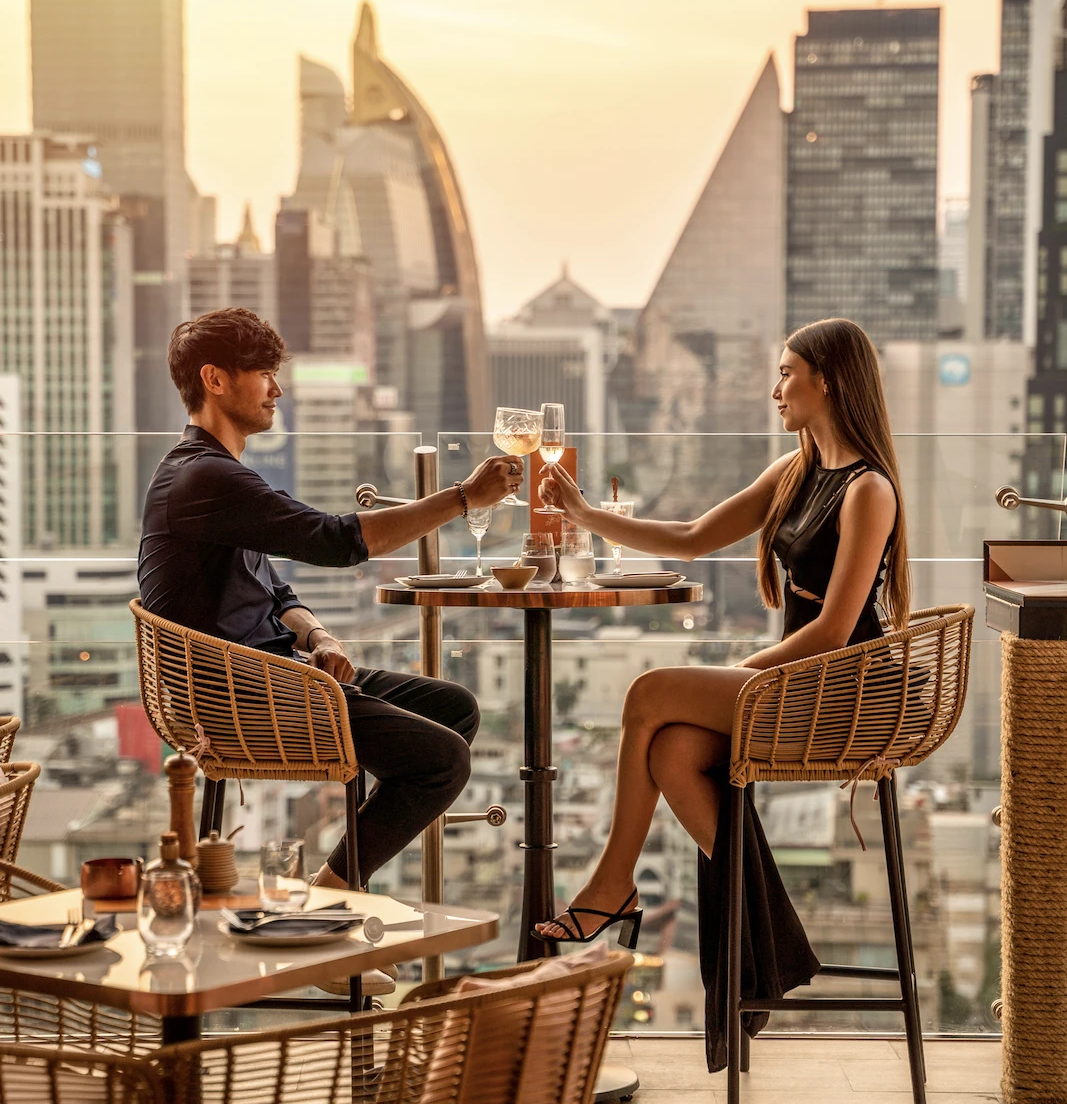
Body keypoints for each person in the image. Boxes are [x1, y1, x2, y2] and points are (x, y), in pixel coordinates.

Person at [533, 318, 910, 1064]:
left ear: (826, 379)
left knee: (648, 692)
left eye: (784, 374)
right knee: (673, 750)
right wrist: (583, 515)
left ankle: (612, 885)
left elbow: (835, 631)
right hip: (793, 682)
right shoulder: (795, 470)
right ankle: (770, 942)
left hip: (841, 693)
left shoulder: (868, 490)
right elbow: (693, 537)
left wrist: (743, 673)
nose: (774, 390)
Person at [138, 307, 521, 888]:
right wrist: (464, 497)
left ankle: (347, 861)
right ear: (214, 380)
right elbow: (340, 542)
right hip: (233, 698)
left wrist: (319, 635)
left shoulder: (216, 476)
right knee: (442, 761)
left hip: (273, 673)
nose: (278, 388)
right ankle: (333, 894)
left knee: (454, 709)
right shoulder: (205, 478)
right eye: (263, 372)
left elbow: (275, 588)